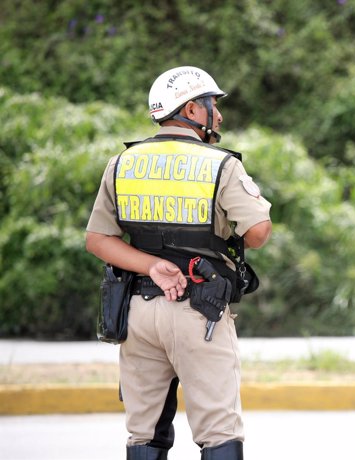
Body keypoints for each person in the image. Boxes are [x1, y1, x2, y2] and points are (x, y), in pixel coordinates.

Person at [86, 66, 272, 459]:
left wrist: (151, 265)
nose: (218, 116)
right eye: (212, 105)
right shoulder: (220, 164)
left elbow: (98, 240)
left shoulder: (122, 164)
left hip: (137, 310)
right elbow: (258, 232)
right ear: (191, 110)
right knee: (219, 430)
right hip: (199, 311)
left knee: (144, 433)